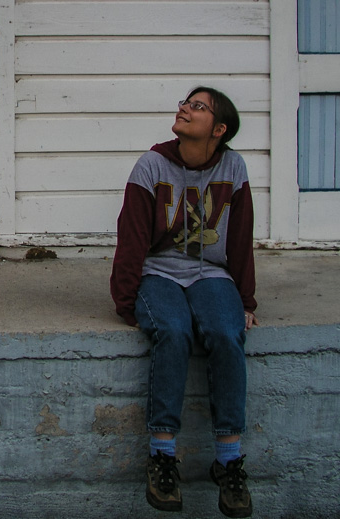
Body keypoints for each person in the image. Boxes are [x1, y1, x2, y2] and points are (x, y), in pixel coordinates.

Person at [110, 87, 258, 518]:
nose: (183, 109)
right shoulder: (151, 165)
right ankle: (162, 456)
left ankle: (229, 460)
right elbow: (132, 237)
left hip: (211, 274)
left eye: (197, 107)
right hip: (159, 272)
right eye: (184, 102)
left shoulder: (234, 166)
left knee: (227, 332)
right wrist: (127, 300)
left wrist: (245, 299)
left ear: (219, 128)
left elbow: (240, 237)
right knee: (172, 331)